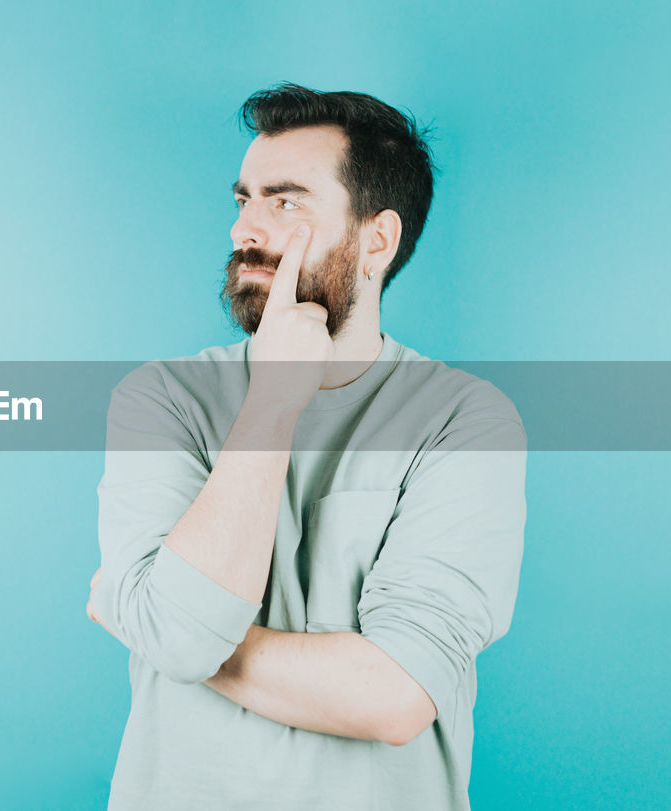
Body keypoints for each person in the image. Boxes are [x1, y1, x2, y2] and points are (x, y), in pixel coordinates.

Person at [85, 83, 528, 810]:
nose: (244, 231)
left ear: (375, 240)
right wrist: (273, 400)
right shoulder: (160, 398)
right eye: (243, 201)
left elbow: (394, 697)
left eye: (284, 202)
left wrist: (159, 626)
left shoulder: (466, 421)